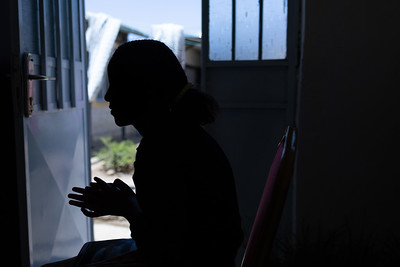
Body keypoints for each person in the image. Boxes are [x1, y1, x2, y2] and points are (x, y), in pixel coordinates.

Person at [68, 40, 243, 266]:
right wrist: (130, 202)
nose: (109, 95)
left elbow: (161, 252)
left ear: (145, 90)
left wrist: (127, 208)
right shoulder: (183, 137)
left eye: (118, 85)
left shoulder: (161, 151)